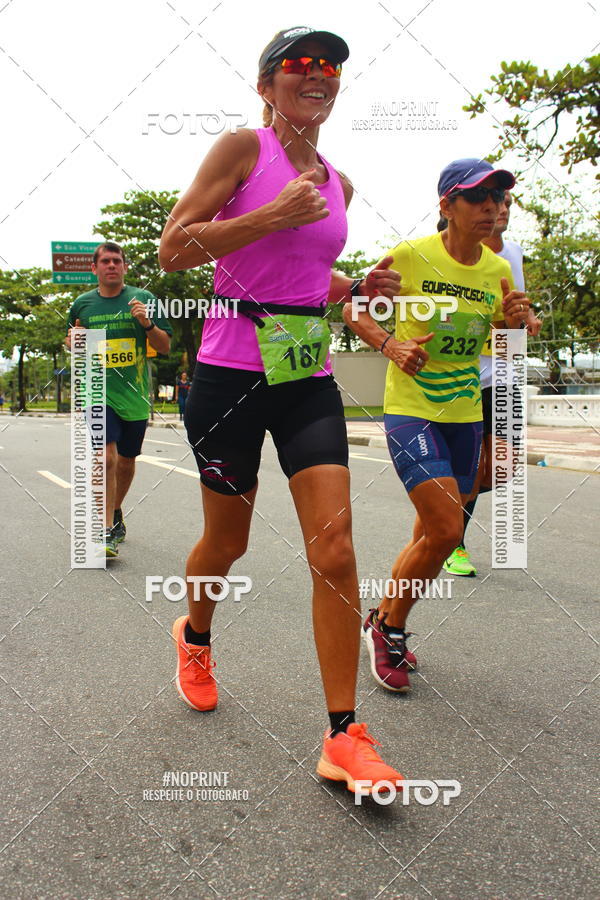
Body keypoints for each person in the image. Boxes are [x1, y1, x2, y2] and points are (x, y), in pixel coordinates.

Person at [159, 26, 405, 792]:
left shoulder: (340, 183)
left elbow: (305, 278)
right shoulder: (243, 150)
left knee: (333, 548)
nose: (317, 74)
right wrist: (268, 215)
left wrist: (355, 288)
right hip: (227, 375)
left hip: (305, 374)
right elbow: (174, 249)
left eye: (329, 65)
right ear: (266, 86)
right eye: (299, 64)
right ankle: (194, 633)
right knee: (224, 545)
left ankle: (343, 735)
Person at [344, 158, 531, 693]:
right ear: (447, 205)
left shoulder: (496, 269)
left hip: (465, 412)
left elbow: (497, 338)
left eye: (498, 200)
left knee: (432, 530)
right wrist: (390, 343)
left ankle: (383, 614)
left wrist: (512, 324)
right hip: (412, 407)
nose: (492, 210)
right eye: (479, 199)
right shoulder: (410, 256)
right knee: (448, 530)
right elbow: (355, 307)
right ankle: (389, 628)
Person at [443, 190, 541, 576]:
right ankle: (452, 541)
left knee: (502, 469)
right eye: (493, 203)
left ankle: (441, 513)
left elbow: (517, 300)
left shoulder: (513, 252)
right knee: (471, 466)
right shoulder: (459, 252)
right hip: (465, 375)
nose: (500, 210)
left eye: (506, 204)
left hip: (504, 374)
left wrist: (526, 317)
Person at [65, 241, 172, 557]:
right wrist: (72, 342)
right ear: (94, 268)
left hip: (135, 395)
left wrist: (146, 323)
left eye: (117, 261)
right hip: (96, 391)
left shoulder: (145, 300)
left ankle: (114, 511)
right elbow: (73, 339)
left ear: (125, 267)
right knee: (105, 457)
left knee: (126, 461)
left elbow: (164, 346)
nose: (112, 266)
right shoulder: (82, 305)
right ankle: (104, 530)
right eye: (106, 261)